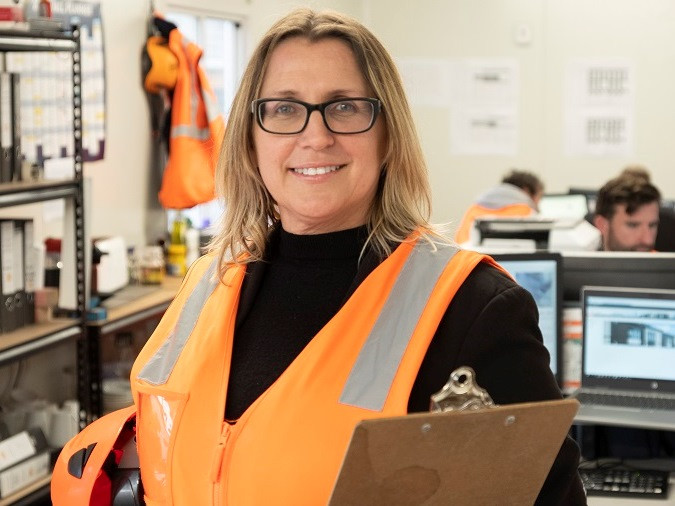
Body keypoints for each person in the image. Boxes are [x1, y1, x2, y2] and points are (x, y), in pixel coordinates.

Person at [52, 9, 585, 505]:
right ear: (250, 138)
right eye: (284, 108)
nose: (316, 135)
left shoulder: (473, 309)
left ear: (388, 135)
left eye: (345, 107)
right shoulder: (209, 282)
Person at [454, 169, 545, 244]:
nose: (538, 203)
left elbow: (459, 243)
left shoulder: (473, 209)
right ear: (526, 190)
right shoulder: (528, 212)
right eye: (539, 197)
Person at [592, 166, 661, 251]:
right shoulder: (579, 263)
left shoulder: (668, 264)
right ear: (602, 225)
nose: (648, 240)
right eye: (633, 225)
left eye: (652, 225)